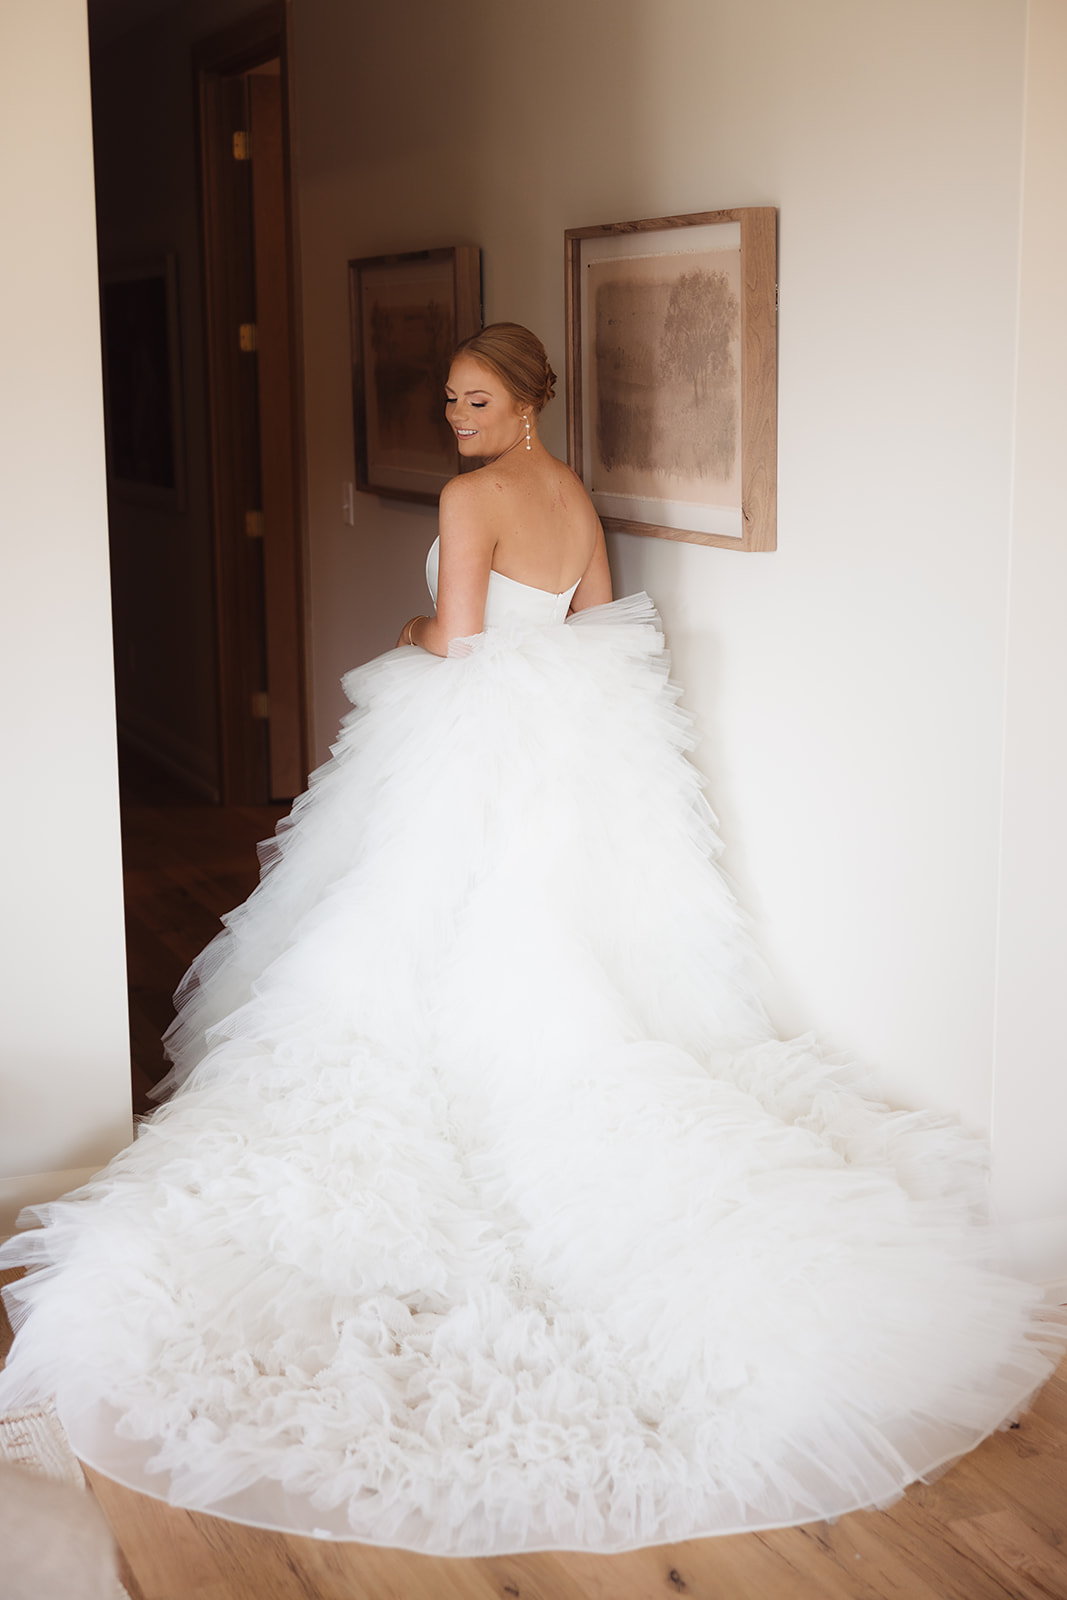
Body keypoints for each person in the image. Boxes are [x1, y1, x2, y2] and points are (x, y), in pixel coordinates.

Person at [0, 324, 1062, 1558]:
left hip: (468, 748)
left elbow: (457, 641)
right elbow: (597, 627)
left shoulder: (471, 496)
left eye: (474, 399)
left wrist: (405, 638)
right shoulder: (568, 496)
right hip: (565, 756)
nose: (455, 418)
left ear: (523, 402)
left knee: (405, 934)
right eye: (448, 400)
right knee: (559, 940)